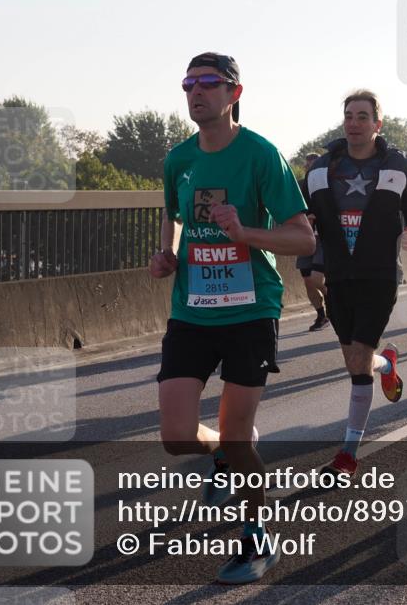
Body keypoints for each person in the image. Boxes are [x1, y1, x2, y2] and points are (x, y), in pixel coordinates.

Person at [150, 52, 315, 583]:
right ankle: (221, 447)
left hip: (249, 310)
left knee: (239, 436)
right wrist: (167, 253)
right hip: (192, 310)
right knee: (176, 435)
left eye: (209, 84)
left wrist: (246, 235)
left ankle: (257, 538)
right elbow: (172, 217)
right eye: (189, 84)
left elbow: (303, 237)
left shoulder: (262, 155)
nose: (197, 92)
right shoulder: (178, 158)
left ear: (234, 93)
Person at [305, 90, 407, 475]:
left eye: (362, 116)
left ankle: (348, 453)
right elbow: (304, 212)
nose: (354, 122)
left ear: (378, 124)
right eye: (349, 116)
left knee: (358, 359)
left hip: (379, 273)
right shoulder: (320, 169)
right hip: (339, 275)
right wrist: (304, 224)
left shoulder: (400, 164)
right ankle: (386, 364)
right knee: (354, 362)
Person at [297, 152, 330, 331]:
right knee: (308, 281)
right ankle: (321, 315)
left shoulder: (329, 184)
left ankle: (336, 301)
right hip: (304, 237)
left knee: (317, 279)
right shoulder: (300, 186)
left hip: (323, 237)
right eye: (309, 166)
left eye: (316, 166)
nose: (312, 169)